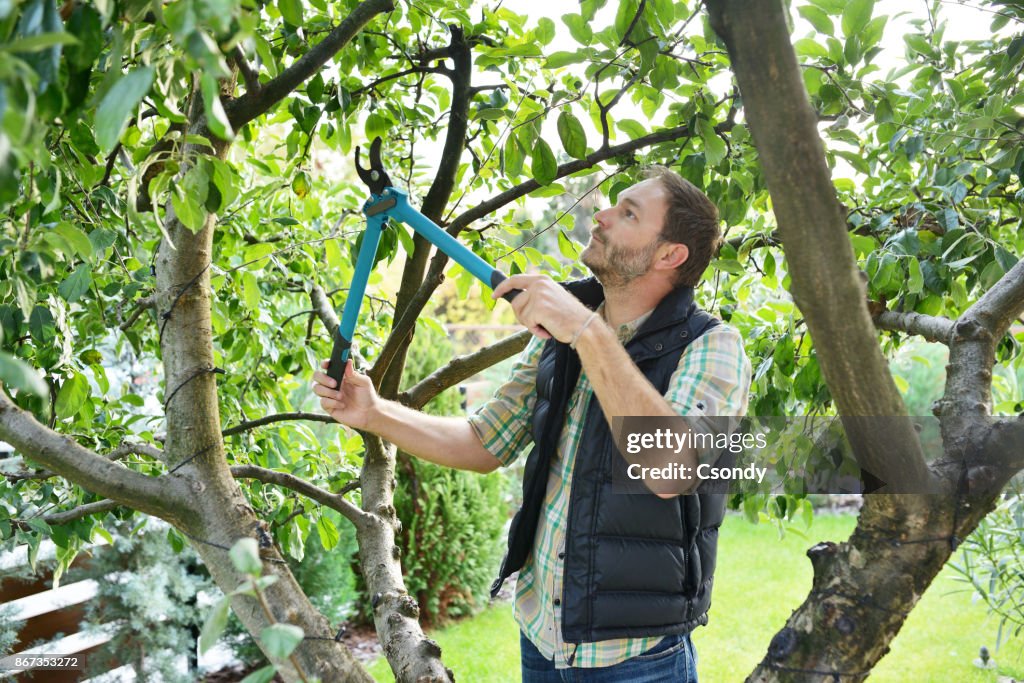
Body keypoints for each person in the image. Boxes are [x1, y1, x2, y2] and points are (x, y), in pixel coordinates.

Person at [313, 165, 751, 682]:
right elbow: (483, 442)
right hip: (540, 641)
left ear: (668, 255)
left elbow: (668, 470)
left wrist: (587, 333)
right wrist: (374, 412)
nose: (602, 215)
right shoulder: (561, 335)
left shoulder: (714, 347)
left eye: (628, 212)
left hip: (636, 660)